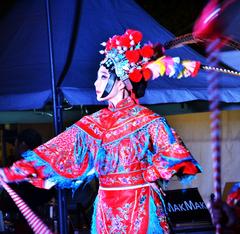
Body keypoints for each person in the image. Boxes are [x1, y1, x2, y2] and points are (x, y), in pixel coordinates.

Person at [0, 29, 202, 233]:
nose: (96, 83)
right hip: (106, 205)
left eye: (103, 77)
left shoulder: (148, 120)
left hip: (140, 203)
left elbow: (174, 155)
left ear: (123, 81)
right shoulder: (94, 123)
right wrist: (15, 171)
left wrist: (148, 174)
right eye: (98, 77)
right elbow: (56, 149)